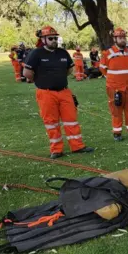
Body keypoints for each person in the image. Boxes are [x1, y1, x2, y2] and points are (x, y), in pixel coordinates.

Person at [23, 26, 94, 159]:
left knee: (71, 119)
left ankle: (77, 146)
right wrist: (42, 80)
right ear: (43, 39)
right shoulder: (36, 53)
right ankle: (56, 150)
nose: (54, 40)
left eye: (56, 38)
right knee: (51, 122)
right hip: (46, 93)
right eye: (51, 38)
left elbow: (69, 70)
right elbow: (27, 73)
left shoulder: (63, 53)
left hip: (64, 92)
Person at [99, 27, 128, 141]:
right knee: (116, 110)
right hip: (115, 88)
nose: (123, 40)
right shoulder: (108, 53)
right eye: (120, 38)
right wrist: (113, 80)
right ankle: (117, 133)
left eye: (124, 37)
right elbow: (103, 68)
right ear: (115, 39)